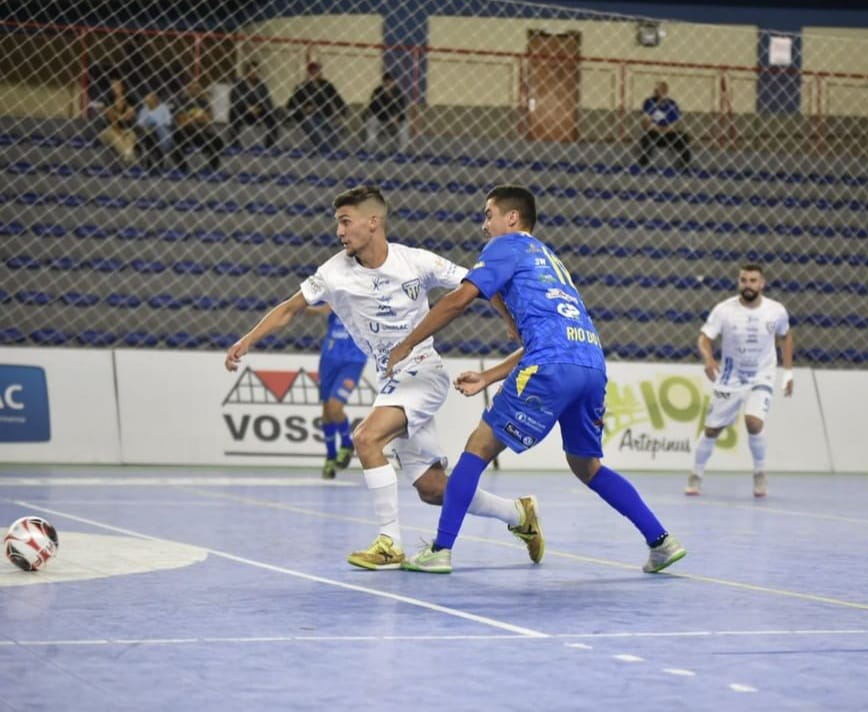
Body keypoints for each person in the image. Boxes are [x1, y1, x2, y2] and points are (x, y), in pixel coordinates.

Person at [224, 186, 543, 571]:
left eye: (346, 222)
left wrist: (510, 322)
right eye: (337, 224)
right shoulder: (333, 273)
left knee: (365, 437)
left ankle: (390, 542)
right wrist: (247, 340)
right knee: (431, 488)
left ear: (372, 222)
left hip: (424, 372)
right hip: (391, 380)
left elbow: (476, 285)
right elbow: (290, 309)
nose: (340, 232)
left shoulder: (415, 261)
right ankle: (518, 513)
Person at [385, 185, 686, 575]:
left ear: (512, 218)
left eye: (488, 214)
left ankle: (440, 550)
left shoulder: (505, 247)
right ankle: (661, 542)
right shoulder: (550, 259)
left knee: (477, 450)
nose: (484, 225)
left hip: (551, 366)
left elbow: (459, 300)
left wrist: (408, 343)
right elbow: (550, 336)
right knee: (587, 466)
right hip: (591, 364)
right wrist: (489, 376)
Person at [687, 264, 793, 499]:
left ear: (762, 283)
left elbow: (786, 337)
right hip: (730, 377)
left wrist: (788, 373)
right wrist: (708, 359)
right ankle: (696, 473)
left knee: (753, 422)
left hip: (762, 375)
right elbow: (704, 338)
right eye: (744, 280)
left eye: (753, 280)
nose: (748, 285)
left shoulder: (776, 311)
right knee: (712, 429)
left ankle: (760, 473)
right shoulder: (724, 310)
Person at [307, 305, 369, 480]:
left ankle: (347, 444)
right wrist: (305, 307)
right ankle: (331, 457)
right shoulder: (337, 296)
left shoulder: (367, 299)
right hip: (329, 359)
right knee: (327, 411)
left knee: (335, 406)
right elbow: (314, 309)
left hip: (353, 361)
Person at [287, 62, 347, 153]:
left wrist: (342, 113)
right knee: (310, 124)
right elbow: (290, 104)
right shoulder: (302, 87)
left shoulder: (327, 85)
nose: (316, 73)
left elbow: (338, 99)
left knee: (341, 127)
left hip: (324, 117)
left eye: (318, 71)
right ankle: (324, 151)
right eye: (313, 71)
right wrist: (304, 108)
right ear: (309, 73)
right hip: (308, 117)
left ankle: (325, 149)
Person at [636, 81, 691, 171]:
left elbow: (674, 126)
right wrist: (657, 128)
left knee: (683, 137)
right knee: (647, 137)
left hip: (668, 134)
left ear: (666, 91)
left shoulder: (672, 104)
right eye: (657, 90)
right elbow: (646, 124)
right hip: (654, 133)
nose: (660, 92)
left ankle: (685, 166)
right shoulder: (649, 102)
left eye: (662, 90)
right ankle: (643, 164)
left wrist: (663, 128)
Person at [175, 79, 224, 172]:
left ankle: (211, 168)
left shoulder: (204, 102)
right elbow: (181, 121)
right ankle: (182, 168)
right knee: (176, 139)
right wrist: (196, 119)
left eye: (197, 88)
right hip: (186, 132)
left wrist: (191, 118)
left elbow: (209, 120)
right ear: (188, 89)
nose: (195, 90)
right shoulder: (182, 102)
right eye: (192, 88)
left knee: (218, 142)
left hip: (200, 132)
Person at [228, 62, 279, 148]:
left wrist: (259, 108)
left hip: (258, 113)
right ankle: (234, 142)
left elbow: (268, 102)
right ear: (247, 73)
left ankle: (270, 144)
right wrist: (247, 107)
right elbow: (234, 99)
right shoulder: (239, 85)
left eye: (256, 72)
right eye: (252, 72)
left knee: (273, 114)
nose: (254, 74)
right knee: (233, 112)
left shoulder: (262, 86)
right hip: (243, 112)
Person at [364, 72, 408, 153]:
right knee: (371, 121)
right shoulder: (377, 92)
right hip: (380, 120)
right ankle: (369, 150)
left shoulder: (399, 94)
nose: (388, 85)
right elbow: (372, 109)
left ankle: (401, 152)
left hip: (393, 122)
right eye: (386, 83)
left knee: (404, 124)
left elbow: (402, 113)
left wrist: (396, 119)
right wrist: (386, 97)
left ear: (394, 83)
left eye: (390, 82)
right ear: (383, 82)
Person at [97, 78, 137, 164]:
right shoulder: (107, 100)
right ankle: (128, 154)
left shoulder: (130, 100)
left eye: (117, 86)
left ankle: (128, 155)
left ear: (122, 87)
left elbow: (129, 117)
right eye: (113, 86)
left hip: (125, 130)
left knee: (132, 135)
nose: (115, 88)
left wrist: (117, 115)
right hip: (108, 130)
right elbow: (111, 118)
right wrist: (120, 119)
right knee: (116, 136)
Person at [134, 90, 175, 173]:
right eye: (147, 100)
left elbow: (168, 123)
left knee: (158, 131)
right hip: (147, 132)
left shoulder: (163, 108)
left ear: (155, 99)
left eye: (151, 99)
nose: (148, 101)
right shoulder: (143, 110)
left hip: (161, 133)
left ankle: (157, 162)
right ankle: (149, 163)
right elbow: (139, 125)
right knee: (147, 135)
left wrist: (156, 125)